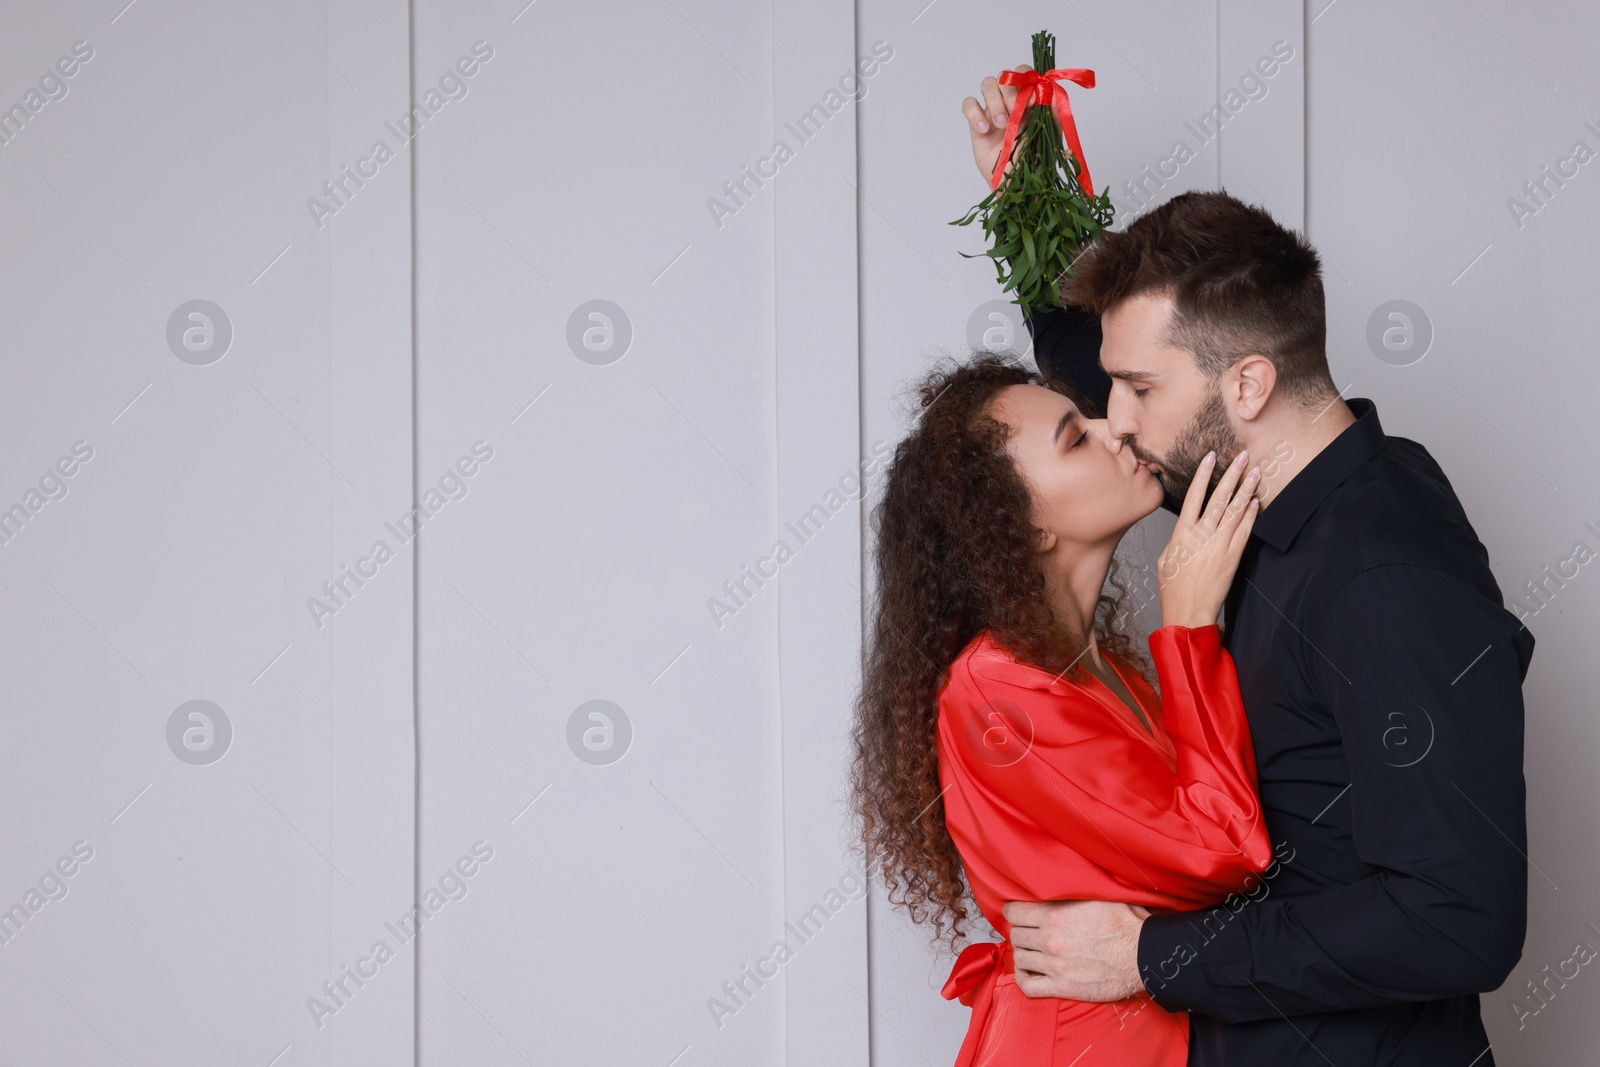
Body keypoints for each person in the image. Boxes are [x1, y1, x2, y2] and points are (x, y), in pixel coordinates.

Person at [954, 70, 1535, 1066]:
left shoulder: (1385, 576)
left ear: (1248, 384)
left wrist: (1150, 953)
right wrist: (1029, 199)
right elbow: (1097, 374)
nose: (1114, 420)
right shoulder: (1264, 487)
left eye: (1138, 388)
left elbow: (1456, 921)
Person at [850, 348, 1284, 1065]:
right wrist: (1189, 628)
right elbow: (1224, 852)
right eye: (1075, 437)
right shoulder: (995, 691)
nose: (1113, 426)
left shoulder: (1108, 673)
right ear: (1026, 527)